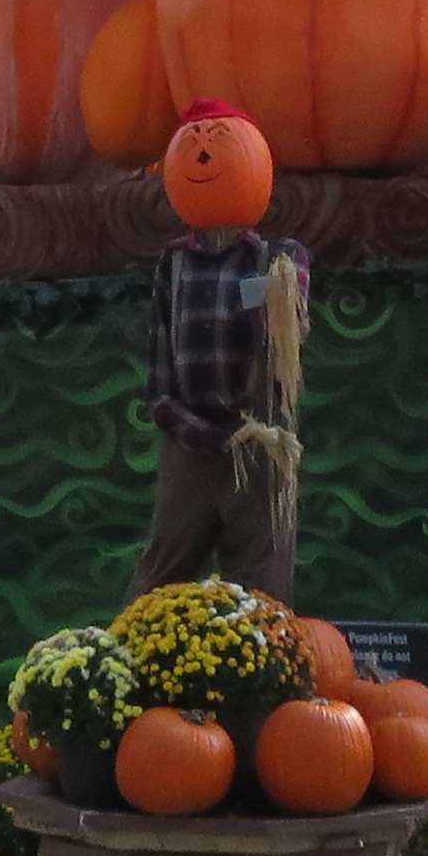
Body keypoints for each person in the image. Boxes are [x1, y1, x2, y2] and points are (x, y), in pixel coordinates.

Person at [132, 173, 307, 602]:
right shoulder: (174, 263)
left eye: (226, 144)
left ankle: (259, 645)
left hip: (260, 442)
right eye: (191, 145)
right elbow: (160, 385)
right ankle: (139, 643)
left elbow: (293, 319)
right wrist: (205, 435)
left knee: (262, 591)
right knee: (160, 582)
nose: (206, 155)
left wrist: (274, 293)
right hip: (189, 443)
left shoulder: (280, 258)